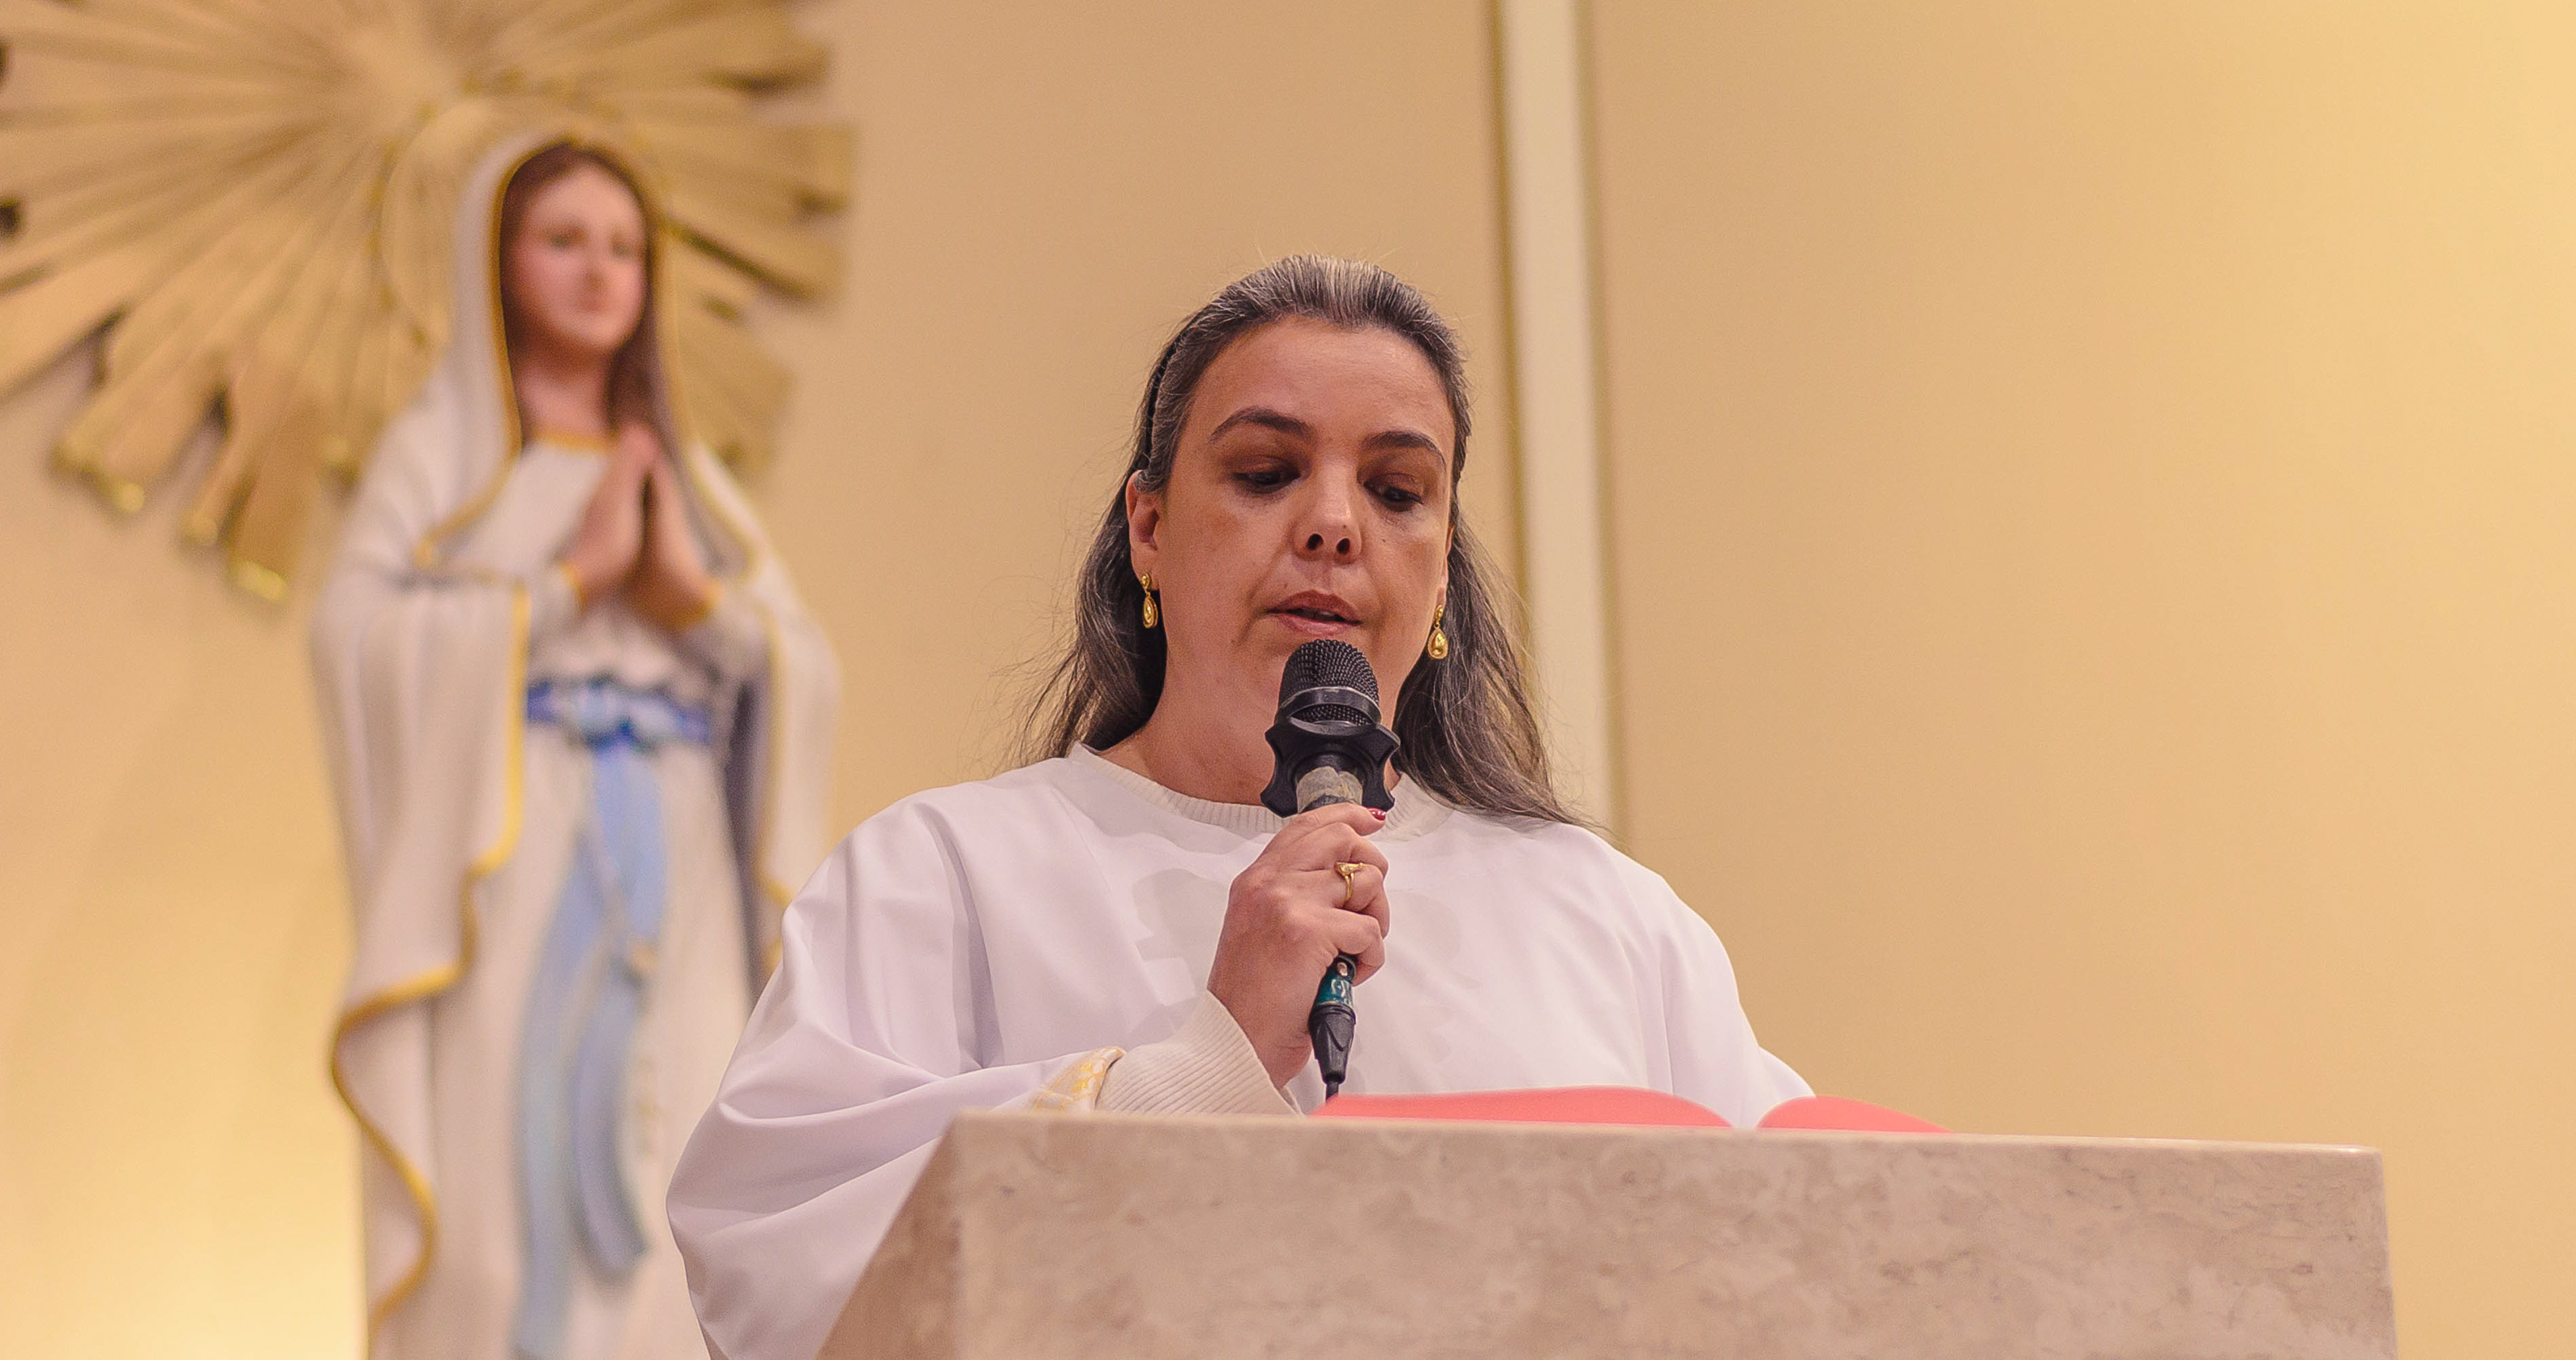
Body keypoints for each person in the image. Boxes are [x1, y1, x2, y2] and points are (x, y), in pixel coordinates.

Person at [665, 255, 1803, 1360]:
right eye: (1266, 472)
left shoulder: (1607, 918)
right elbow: (773, 1253)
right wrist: (1206, 1068)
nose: (1334, 525)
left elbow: (1821, 1252)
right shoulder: (941, 875)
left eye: (1398, 491)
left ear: (1443, 571)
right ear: (1149, 529)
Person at [313, 135, 837, 1360]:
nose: (600, 273)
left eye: (623, 248)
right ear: (494, 260)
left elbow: (800, 662)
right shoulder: (445, 455)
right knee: (505, 1165)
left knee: (679, 1135)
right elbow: (355, 638)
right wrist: (564, 588)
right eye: (563, 242)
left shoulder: (686, 476)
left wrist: (687, 604)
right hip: (515, 840)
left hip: (681, 846)